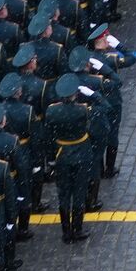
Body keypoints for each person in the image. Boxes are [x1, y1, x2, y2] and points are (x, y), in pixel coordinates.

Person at [44, 73, 94, 243]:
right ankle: (77, 228)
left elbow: (49, 137)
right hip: (81, 154)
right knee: (79, 193)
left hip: (62, 155)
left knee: (64, 195)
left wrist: (50, 160)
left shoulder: (52, 111)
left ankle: (66, 232)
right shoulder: (82, 110)